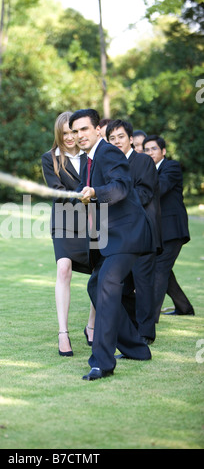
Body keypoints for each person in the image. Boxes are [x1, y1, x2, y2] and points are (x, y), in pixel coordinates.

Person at [69, 109, 154, 381]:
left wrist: (95, 192)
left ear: (97, 131)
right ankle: (136, 349)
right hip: (109, 239)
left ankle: (102, 362)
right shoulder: (88, 160)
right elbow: (89, 196)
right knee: (95, 285)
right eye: (75, 131)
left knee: (105, 285)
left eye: (84, 129)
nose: (79, 135)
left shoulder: (109, 153)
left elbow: (120, 188)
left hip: (127, 234)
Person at [41, 111, 95, 357]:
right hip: (64, 220)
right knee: (63, 268)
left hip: (95, 220)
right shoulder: (49, 159)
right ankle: (63, 332)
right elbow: (56, 191)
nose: (70, 137)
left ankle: (92, 325)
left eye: (74, 131)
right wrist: (81, 195)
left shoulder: (92, 155)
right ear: (58, 134)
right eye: (65, 133)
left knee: (101, 271)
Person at [106, 120, 161, 344]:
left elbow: (145, 194)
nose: (117, 141)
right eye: (112, 138)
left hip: (142, 233)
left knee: (143, 282)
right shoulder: (110, 165)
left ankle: (146, 333)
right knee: (123, 284)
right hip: (118, 235)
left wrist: (113, 196)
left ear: (130, 139)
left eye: (121, 136)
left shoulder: (143, 161)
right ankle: (132, 327)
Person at [143, 135, 194, 322]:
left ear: (163, 151)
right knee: (164, 270)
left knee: (159, 269)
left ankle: (150, 320)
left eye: (153, 149)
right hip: (158, 230)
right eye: (146, 150)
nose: (149, 153)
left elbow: (161, 188)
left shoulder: (170, 167)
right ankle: (184, 307)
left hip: (172, 229)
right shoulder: (148, 170)